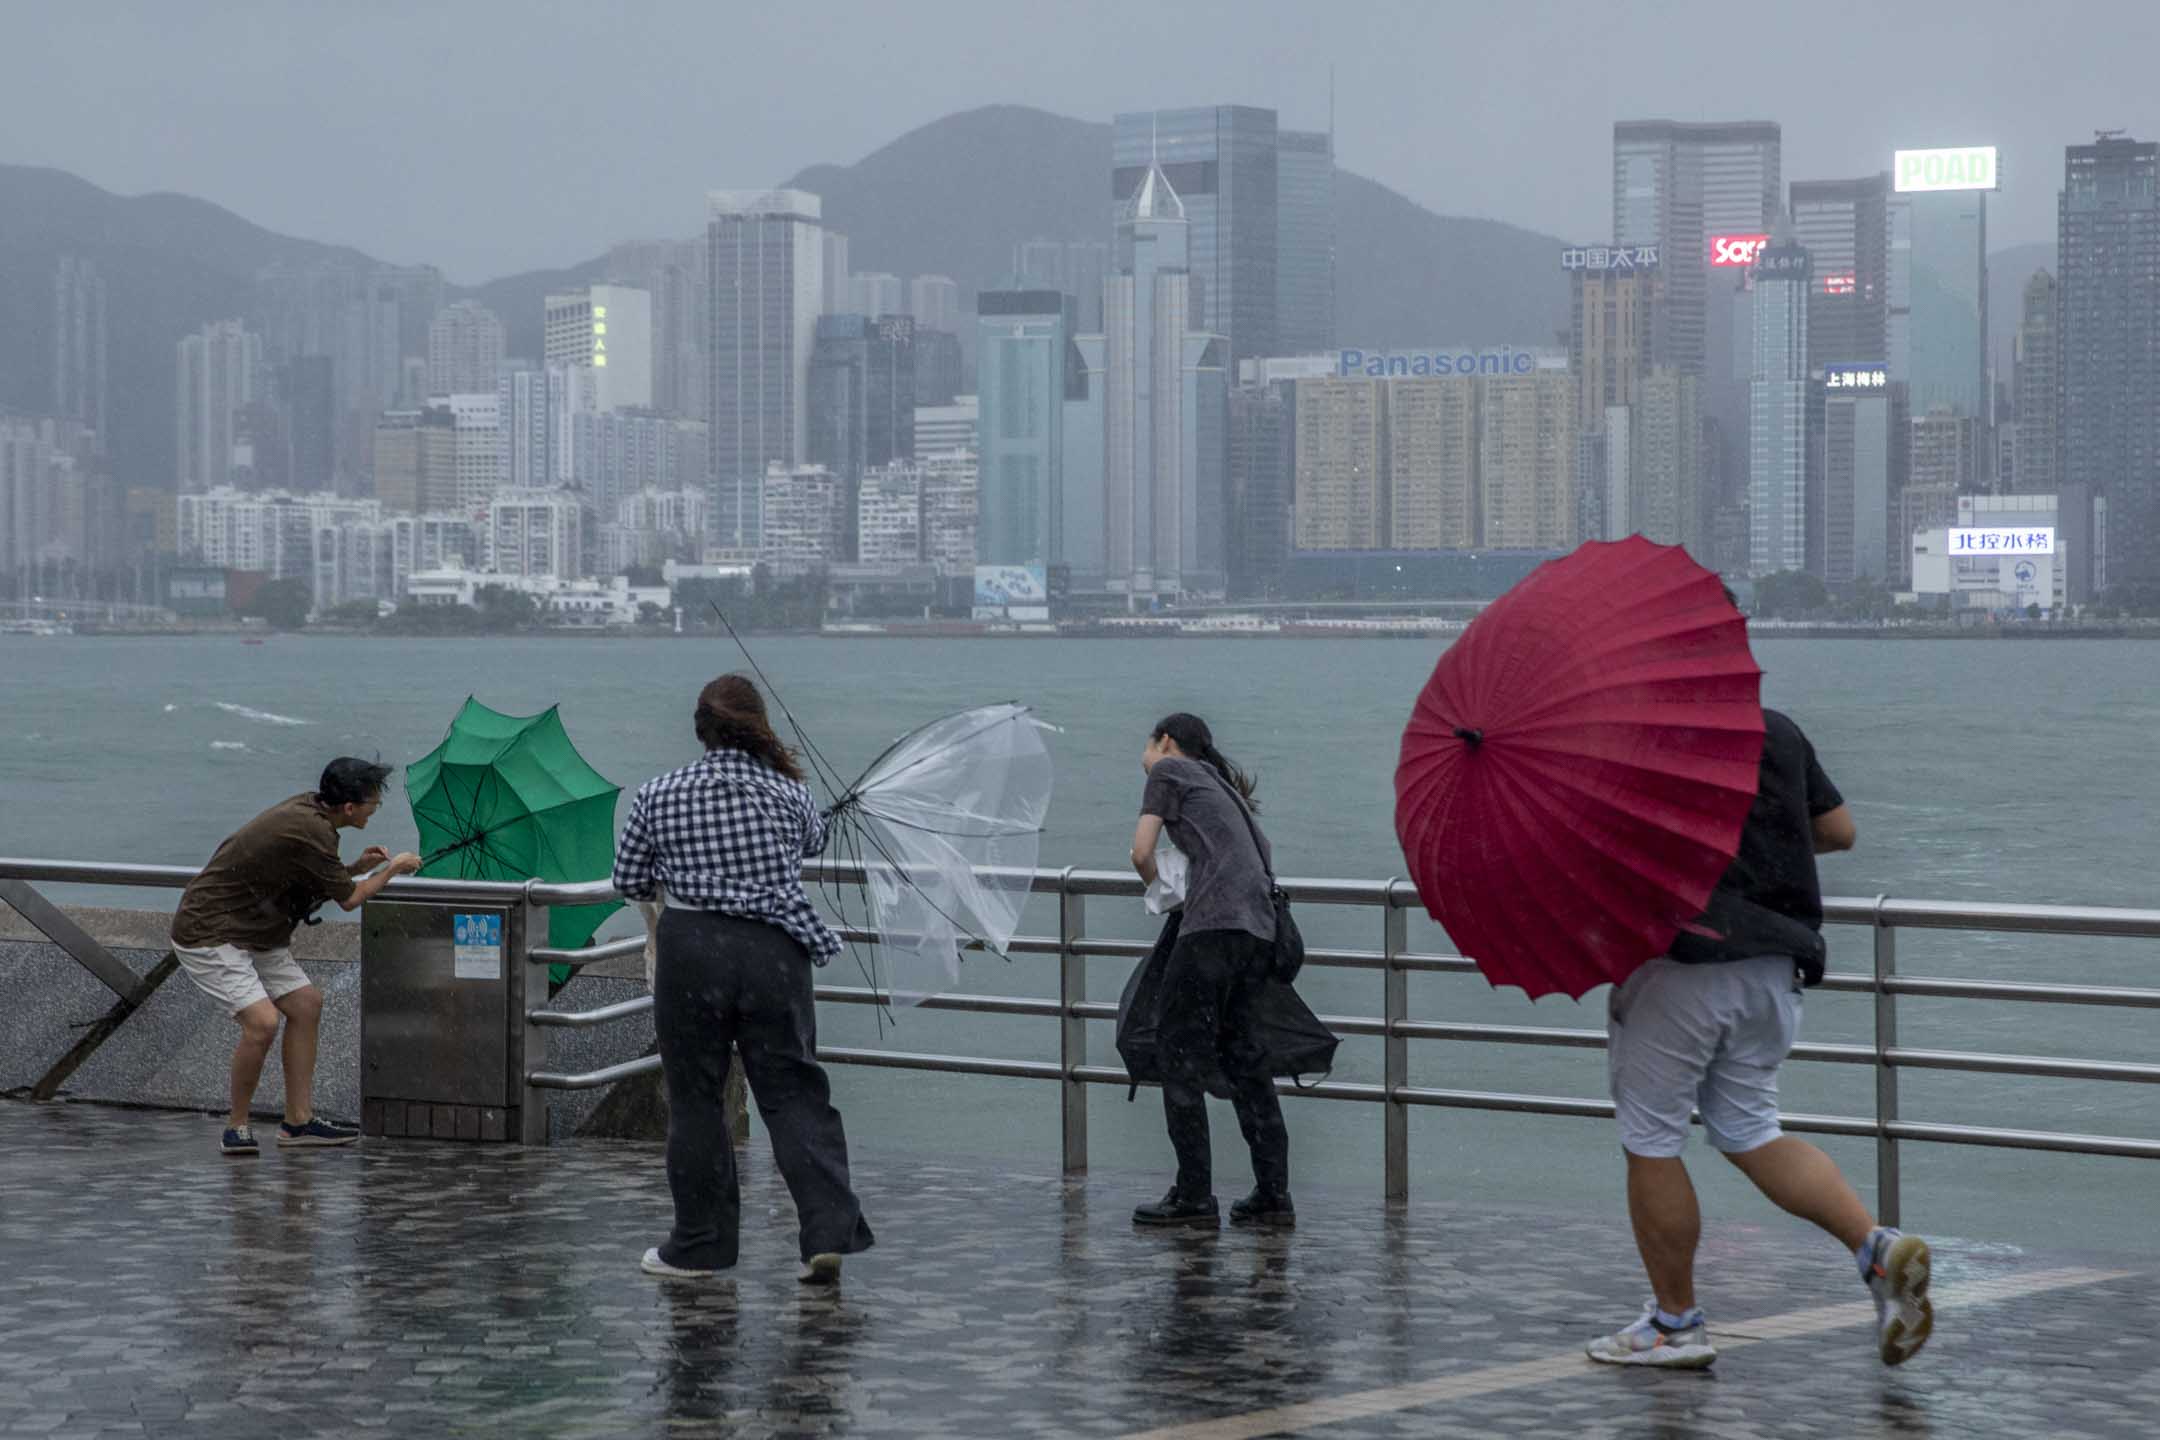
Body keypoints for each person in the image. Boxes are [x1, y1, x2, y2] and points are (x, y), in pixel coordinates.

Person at [1586, 706, 1934, 1370]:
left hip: (1680, 964)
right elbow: (1839, 831)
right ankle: (1877, 1251)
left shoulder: (1634, 735)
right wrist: (1759, 845)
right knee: (1751, 1128)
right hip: (1775, 967)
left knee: (1652, 1139)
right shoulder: (1773, 729)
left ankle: (1673, 1326)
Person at [614, 674, 874, 1287]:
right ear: (759, 726)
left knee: (697, 1099)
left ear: (700, 731)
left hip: (692, 950)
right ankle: (827, 1232)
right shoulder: (790, 793)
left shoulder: (659, 793)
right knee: (793, 1093)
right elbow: (812, 842)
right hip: (774, 953)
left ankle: (700, 1246)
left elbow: (628, 878)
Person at [170, 758, 421, 1156]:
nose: (375, 810)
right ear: (350, 807)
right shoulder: (314, 831)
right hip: (211, 932)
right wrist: (393, 869)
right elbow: (352, 899)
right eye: (373, 803)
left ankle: (298, 1122)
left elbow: (317, 875)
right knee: (262, 1022)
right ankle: (236, 1126)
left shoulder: (310, 814)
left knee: (306, 1004)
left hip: (255, 930)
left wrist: (357, 867)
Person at [1128, 712, 1292, 1229]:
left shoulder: (1167, 773)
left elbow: (1141, 852)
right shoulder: (1222, 786)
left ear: (1166, 741)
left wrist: (1162, 891)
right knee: (1246, 1060)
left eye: (1148, 742)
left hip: (1213, 931)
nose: (1145, 753)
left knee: (1177, 1054)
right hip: (1258, 932)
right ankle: (1273, 1196)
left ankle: (1195, 1196)